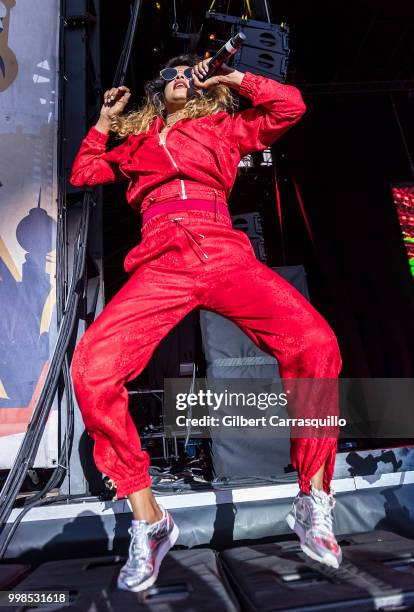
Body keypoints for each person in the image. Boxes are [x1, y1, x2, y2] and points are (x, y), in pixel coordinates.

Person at [69, 53, 343, 592]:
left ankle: (313, 498)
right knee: (93, 368)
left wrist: (234, 77)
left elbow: (291, 105)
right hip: (161, 262)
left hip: (222, 252)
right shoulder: (137, 146)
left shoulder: (224, 127)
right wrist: (104, 120)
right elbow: (83, 172)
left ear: (199, 90)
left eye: (185, 74)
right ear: (157, 91)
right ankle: (149, 520)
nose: (177, 78)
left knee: (314, 342)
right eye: (168, 75)